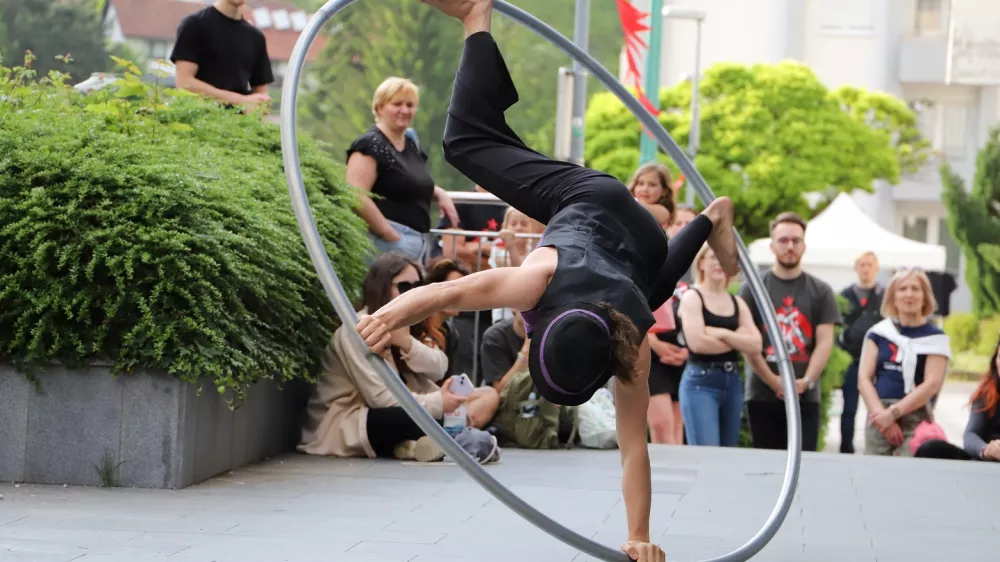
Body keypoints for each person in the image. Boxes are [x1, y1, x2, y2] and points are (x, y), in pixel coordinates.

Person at [356, 2, 739, 560]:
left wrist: (640, 540)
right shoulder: (550, 289)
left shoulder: (621, 336)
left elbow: (635, 451)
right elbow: (448, 292)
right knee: (465, 142)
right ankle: (474, 17)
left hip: (635, 241)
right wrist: (387, 316)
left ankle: (711, 218)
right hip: (597, 207)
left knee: (648, 291)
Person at [299, 253, 499, 462]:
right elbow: (382, 400)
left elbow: (439, 367)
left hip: (398, 408)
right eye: (404, 287)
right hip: (349, 424)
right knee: (414, 417)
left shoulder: (407, 320)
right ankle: (456, 437)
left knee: (486, 395)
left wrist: (406, 343)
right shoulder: (359, 328)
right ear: (382, 287)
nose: (411, 294)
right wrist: (440, 403)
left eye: (417, 286)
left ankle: (422, 444)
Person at [739, 212, 841, 452]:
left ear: (804, 245)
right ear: (772, 246)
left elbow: (824, 343)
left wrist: (805, 382)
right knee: (766, 467)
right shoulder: (752, 288)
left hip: (805, 395)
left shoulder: (821, 291)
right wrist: (774, 381)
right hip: (762, 393)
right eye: (783, 240)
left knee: (805, 465)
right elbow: (748, 343)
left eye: (796, 240)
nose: (790, 246)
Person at [347, 76, 458, 264]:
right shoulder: (369, 144)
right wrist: (389, 235)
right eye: (397, 104)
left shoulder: (410, 141)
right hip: (387, 245)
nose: (405, 110)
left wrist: (438, 192)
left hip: (417, 243)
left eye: (410, 105)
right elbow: (356, 194)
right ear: (379, 108)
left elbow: (412, 180)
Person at [857, 267, 950, 456]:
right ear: (892, 296)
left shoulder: (936, 338)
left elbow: (932, 384)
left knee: (909, 478)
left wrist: (893, 414)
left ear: (925, 296)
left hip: (915, 417)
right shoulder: (879, 333)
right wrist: (882, 418)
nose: (909, 294)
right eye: (902, 288)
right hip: (879, 416)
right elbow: (864, 379)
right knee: (875, 477)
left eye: (915, 289)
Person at [677, 245, 761, 447]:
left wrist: (721, 333)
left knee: (727, 455)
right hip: (701, 382)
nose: (719, 263)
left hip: (732, 382)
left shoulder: (737, 302)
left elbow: (756, 345)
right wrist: (738, 340)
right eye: (714, 257)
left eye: (725, 258)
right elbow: (697, 343)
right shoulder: (692, 297)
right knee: (707, 452)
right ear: (702, 263)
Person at [170, 0, 274, 108]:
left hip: (239, 122)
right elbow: (184, 83)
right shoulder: (194, 25)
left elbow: (261, 93)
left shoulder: (256, 37)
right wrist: (239, 100)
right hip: (198, 118)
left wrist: (261, 104)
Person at [836, 251, 883, 454]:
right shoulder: (844, 296)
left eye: (869, 265)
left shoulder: (884, 296)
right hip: (852, 361)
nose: (866, 269)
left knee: (880, 406)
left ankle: (880, 446)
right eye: (862, 265)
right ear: (856, 268)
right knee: (849, 408)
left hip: (880, 363)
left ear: (876, 268)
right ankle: (846, 447)